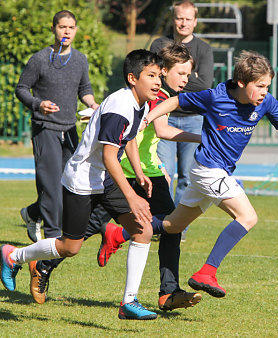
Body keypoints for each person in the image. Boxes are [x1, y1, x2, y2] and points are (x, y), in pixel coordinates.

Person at [103, 50, 278, 298]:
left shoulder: (266, 102)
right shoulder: (216, 97)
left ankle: (119, 233)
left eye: (267, 86)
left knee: (172, 225)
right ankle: (207, 272)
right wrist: (148, 118)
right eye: (260, 86)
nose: (264, 91)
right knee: (247, 217)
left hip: (215, 172)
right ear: (242, 83)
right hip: (208, 170)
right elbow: (176, 101)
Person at [1, 49, 162, 320]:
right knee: (70, 247)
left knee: (143, 230)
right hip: (82, 181)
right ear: (133, 78)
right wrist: (132, 197)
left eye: (159, 76)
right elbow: (110, 156)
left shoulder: (142, 103)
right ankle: (13, 255)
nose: (158, 81)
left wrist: (139, 172)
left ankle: (129, 303)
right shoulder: (119, 108)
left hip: (105, 180)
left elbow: (130, 139)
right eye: (151, 76)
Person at [98, 42, 203, 311]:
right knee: (76, 236)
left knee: (172, 227)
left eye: (188, 75)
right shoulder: (156, 95)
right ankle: (40, 262)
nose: (186, 79)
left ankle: (168, 293)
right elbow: (163, 131)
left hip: (148, 173)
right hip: (125, 173)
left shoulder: (160, 93)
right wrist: (206, 138)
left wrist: (157, 165)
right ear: (163, 70)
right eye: (181, 73)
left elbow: (145, 139)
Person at [14, 10, 112, 297]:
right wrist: (38, 103)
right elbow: (22, 88)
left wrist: (94, 106)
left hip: (71, 130)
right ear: (54, 29)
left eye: (70, 27)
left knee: (66, 189)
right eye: (61, 27)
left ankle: (32, 214)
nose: (66, 31)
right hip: (45, 127)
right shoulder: (40, 59)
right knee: (52, 192)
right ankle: (49, 252)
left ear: (76, 30)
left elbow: (85, 89)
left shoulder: (80, 59)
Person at [150, 0, 214, 241]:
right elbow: (157, 77)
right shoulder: (160, 44)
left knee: (188, 177)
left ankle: (177, 228)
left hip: (195, 119)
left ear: (195, 21)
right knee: (164, 174)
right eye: (179, 18)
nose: (183, 22)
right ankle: (161, 223)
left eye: (188, 19)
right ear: (173, 19)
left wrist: (183, 79)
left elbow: (205, 86)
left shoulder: (204, 49)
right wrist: (192, 79)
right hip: (163, 118)